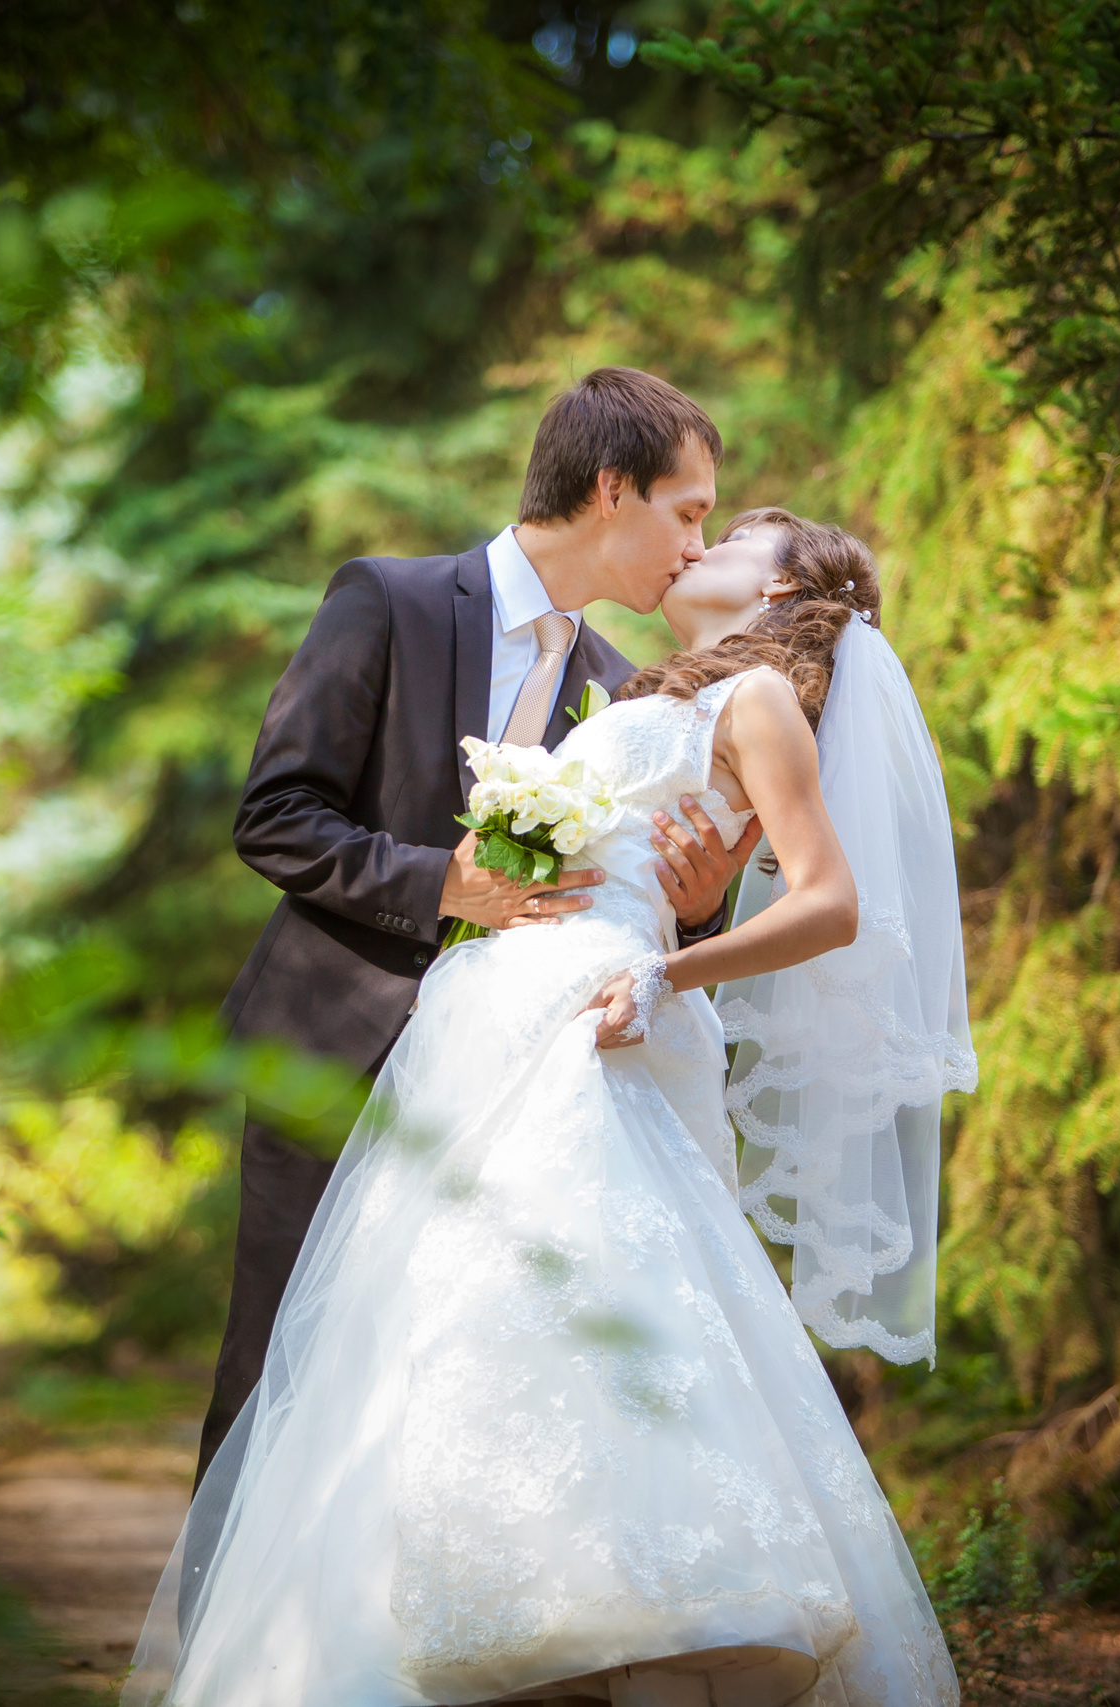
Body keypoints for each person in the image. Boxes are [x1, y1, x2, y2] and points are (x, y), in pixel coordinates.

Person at [128, 505, 978, 1707]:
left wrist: (673, 964)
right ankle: (448, 1601)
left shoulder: (758, 700)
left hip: (595, 1026)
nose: (698, 545)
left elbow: (828, 901)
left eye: (731, 535)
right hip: (490, 1020)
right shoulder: (644, 685)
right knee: (444, 1318)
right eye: (693, 516)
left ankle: (611, 1610)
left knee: (580, 1294)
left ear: (785, 593)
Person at [201, 368, 758, 1481]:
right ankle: (222, 1599)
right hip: (337, 1050)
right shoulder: (388, 602)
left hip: (512, 1082)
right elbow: (275, 815)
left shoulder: (626, 693)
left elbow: (628, 904)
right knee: (278, 1370)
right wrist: (437, 884)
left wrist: (697, 911)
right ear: (612, 489)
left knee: (439, 1385)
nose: (698, 549)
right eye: (688, 512)